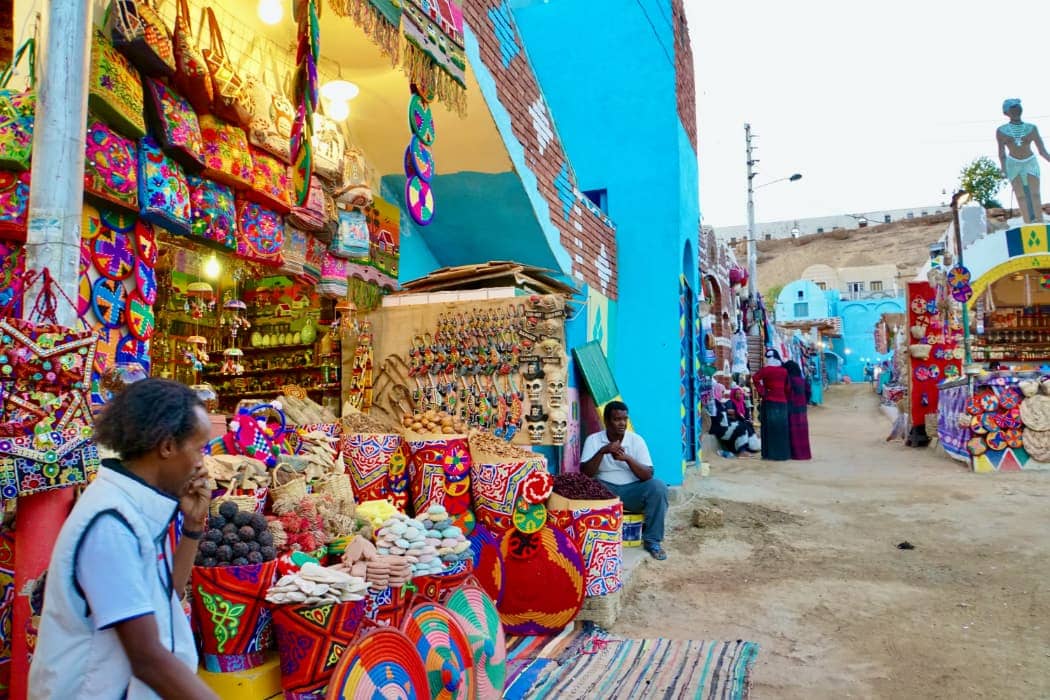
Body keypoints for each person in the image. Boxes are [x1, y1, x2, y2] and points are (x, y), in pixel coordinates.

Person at [29, 379, 219, 700]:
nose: (202, 462)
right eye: (198, 448)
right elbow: (146, 658)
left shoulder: (133, 506)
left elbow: (164, 595)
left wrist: (193, 525)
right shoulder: (110, 522)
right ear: (167, 446)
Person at [581, 401, 669, 561]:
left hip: (632, 491)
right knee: (584, 486)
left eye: (624, 419)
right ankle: (590, 539)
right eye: (616, 419)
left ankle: (652, 541)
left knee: (658, 487)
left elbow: (648, 474)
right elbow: (585, 473)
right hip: (605, 491)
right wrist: (602, 451)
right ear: (606, 421)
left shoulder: (636, 440)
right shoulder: (593, 440)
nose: (622, 423)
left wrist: (627, 458)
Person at [997, 98, 1050, 223]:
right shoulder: (1001, 131)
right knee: (1021, 195)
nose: (1015, 110)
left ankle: (1039, 219)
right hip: (1013, 163)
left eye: (1017, 107)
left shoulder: (1031, 128)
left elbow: (1041, 150)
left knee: (1035, 193)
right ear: (1006, 112)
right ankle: (1027, 221)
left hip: (1030, 161)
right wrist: (1003, 169)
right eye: (1012, 108)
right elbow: (1001, 153)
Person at [753, 349, 791, 460]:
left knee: (770, 428)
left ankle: (770, 454)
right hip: (782, 402)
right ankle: (782, 454)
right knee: (781, 428)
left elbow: (755, 378)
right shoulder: (784, 371)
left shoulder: (766, 370)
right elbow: (788, 388)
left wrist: (762, 391)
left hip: (769, 401)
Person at [784, 360, 812, 460]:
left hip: (791, 407)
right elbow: (808, 392)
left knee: (792, 432)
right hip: (801, 409)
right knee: (802, 432)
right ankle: (804, 454)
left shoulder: (788, 380)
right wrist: (805, 401)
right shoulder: (802, 380)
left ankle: (794, 454)